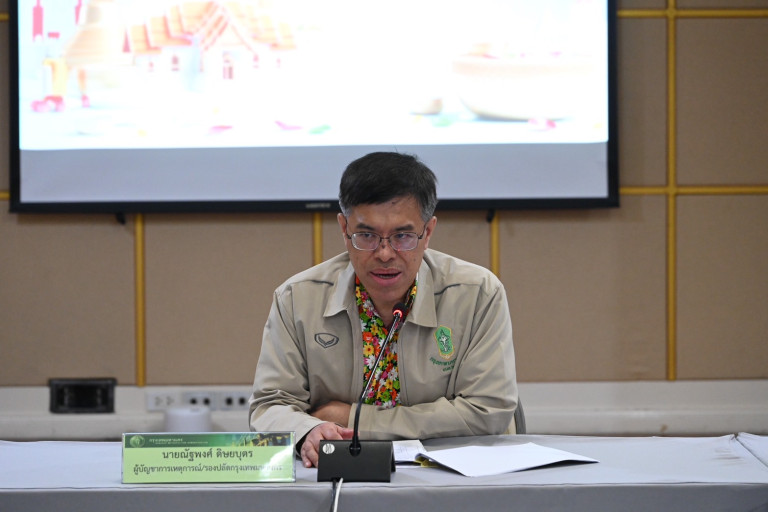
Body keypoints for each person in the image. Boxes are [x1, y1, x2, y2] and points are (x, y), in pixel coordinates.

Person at [249, 151, 518, 468]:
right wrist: (308, 429)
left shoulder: (477, 294)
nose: (385, 253)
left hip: (454, 474)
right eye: (367, 236)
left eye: (403, 236)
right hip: (340, 470)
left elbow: (488, 411)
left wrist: (354, 420)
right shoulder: (297, 298)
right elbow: (269, 406)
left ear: (428, 232)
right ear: (344, 229)